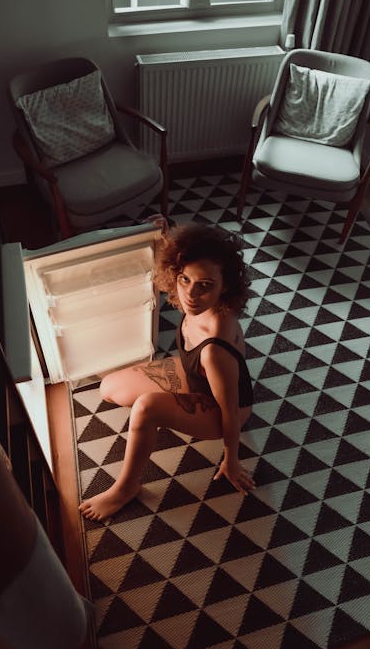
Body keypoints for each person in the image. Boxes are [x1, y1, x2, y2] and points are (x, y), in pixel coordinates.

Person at [79, 223, 255, 522]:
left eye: (205, 285)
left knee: (145, 408)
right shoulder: (197, 305)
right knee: (109, 388)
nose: (190, 294)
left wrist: (232, 460)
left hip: (227, 409)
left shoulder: (215, 349)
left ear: (224, 286)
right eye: (185, 279)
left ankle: (126, 488)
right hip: (197, 376)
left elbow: (229, 409)